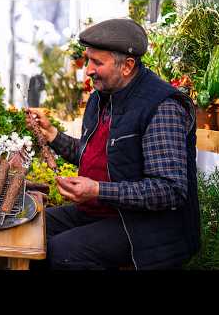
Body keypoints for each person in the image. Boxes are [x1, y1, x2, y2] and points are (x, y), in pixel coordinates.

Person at [28, 18, 200, 270]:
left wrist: (98, 190)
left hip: (147, 228)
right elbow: (97, 157)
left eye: (97, 62)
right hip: (101, 212)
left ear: (128, 66)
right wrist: (53, 134)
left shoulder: (161, 107)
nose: (88, 69)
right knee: (33, 229)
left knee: (63, 251)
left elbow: (169, 189)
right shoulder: (102, 97)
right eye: (87, 59)